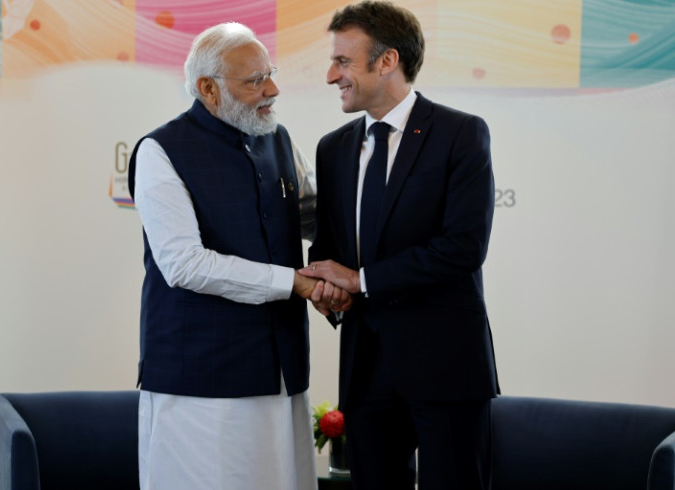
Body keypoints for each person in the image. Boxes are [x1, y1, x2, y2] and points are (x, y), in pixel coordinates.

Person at [128, 22, 350, 490]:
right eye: (255, 81)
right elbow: (185, 264)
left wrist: (359, 270)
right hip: (201, 381)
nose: (272, 89)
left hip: (281, 371)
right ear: (208, 88)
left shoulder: (277, 138)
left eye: (270, 74)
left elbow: (310, 218)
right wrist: (296, 282)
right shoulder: (161, 151)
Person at [299, 2, 500, 489]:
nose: (331, 75)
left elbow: (462, 247)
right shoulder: (333, 147)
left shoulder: (461, 134)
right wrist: (327, 287)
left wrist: (360, 280)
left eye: (343, 61)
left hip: (446, 367)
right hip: (366, 372)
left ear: (387, 61)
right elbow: (329, 247)